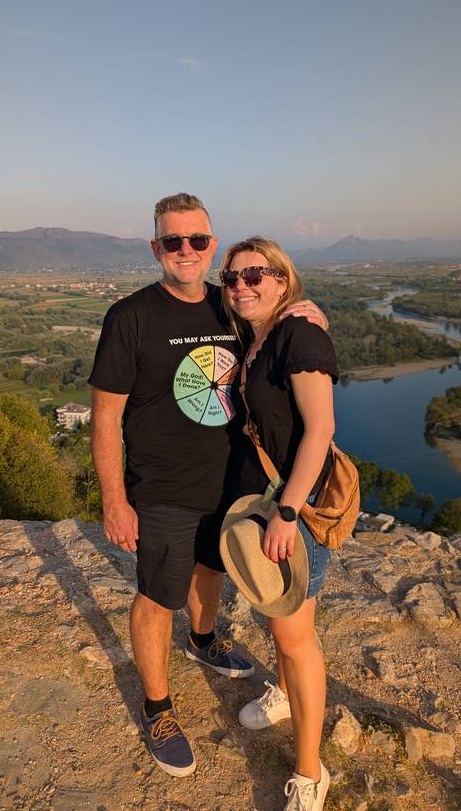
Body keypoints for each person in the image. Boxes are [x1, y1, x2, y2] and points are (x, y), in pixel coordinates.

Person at [88, 193, 328, 779]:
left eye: (197, 240)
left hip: (234, 484)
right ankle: (158, 706)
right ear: (157, 248)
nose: (186, 250)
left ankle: (203, 639)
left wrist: (305, 309)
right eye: (173, 241)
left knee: (210, 571)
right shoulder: (130, 316)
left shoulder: (229, 307)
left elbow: (275, 328)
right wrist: (116, 501)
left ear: (212, 246)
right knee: (156, 596)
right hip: (164, 488)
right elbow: (104, 418)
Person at [220, 236, 338, 811]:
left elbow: (319, 432)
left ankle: (311, 772)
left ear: (283, 280)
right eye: (233, 278)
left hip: (292, 514)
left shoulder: (299, 332)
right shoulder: (260, 335)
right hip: (267, 509)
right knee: (278, 622)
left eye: (255, 275)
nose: (242, 285)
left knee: (296, 639)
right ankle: (286, 697)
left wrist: (288, 513)